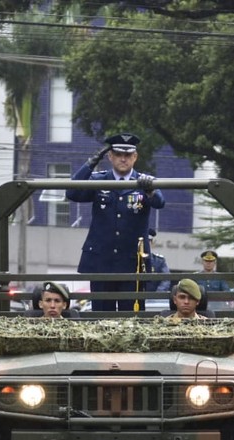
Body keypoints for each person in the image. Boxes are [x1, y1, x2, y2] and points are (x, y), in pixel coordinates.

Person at [67, 133, 165, 312]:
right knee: (102, 315)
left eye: (128, 155)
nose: (123, 159)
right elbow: (72, 193)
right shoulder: (98, 180)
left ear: (135, 157)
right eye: (118, 154)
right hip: (102, 262)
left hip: (132, 263)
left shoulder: (144, 181)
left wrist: (149, 190)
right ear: (110, 157)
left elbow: (160, 202)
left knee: (132, 317)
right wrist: (91, 162)